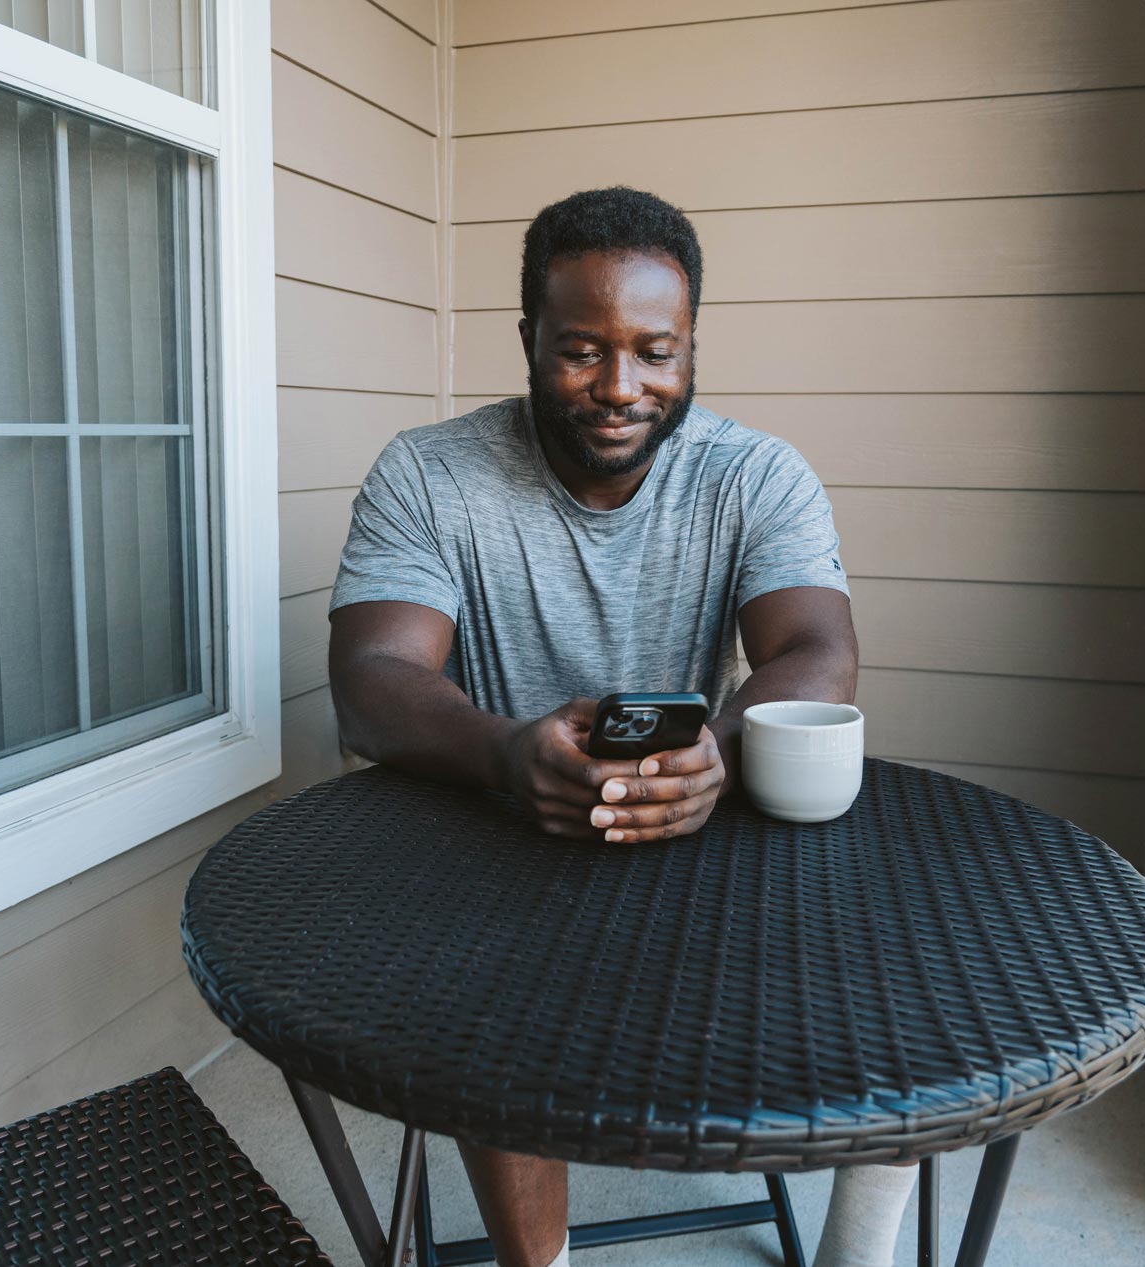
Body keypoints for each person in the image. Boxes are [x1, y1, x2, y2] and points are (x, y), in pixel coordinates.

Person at [327, 187, 916, 1267]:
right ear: (527, 342)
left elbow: (816, 651)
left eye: (655, 351)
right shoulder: (428, 471)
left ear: (690, 346)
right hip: (500, 830)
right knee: (484, 1010)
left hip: (706, 823)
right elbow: (370, 678)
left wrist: (722, 752)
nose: (619, 387)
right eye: (580, 351)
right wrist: (507, 754)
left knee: (899, 958)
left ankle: (856, 1255)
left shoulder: (755, 472)